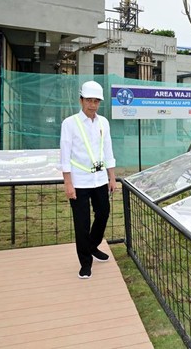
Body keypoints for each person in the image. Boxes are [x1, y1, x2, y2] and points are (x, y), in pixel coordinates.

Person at [60, 80, 117, 279]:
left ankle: (92, 245)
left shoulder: (103, 122)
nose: (92, 105)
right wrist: (68, 183)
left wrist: (112, 177)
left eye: (96, 101)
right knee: (81, 223)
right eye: (89, 100)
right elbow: (65, 155)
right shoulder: (70, 123)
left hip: (100, 179)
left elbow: (108, 150)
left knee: (104, 213)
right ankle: (85, 262)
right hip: (79, 181)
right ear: (81, 100)